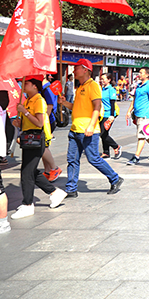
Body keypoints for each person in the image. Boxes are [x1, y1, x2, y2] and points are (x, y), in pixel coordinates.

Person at [58, 59, 123, 197]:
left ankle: (115, 178)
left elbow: (97, 106)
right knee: (72, 160)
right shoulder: (80, 87)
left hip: (88, 130)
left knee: (93, 158)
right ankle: (71, 188)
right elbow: (76, 107)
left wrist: (91, 126)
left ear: (85, 70)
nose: (74, 71)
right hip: (75, 129)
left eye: (76, 68)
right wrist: (64, 103)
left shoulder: (92, 85)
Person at [11, 76, 68, 219]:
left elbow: (39, 123)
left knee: (27, 173)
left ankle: (28, 204)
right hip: (28, 137)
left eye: (27, 83)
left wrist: (24, 111)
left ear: (35, 86)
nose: (23, 85)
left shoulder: (39, 100)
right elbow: (28, 121)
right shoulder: (28, 100)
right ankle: (54, 192)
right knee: (30, 171)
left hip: (36, 138)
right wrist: (19, 123)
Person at [125, 67, 149, 165]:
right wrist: (129, 111)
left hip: (145, 114)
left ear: (147, 75)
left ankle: (136, 157)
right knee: (146, 134)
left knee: (141, 136)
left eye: (141, 73)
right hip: (137, 114)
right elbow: (134, 100)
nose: (139, 75)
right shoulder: (139, 86)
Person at [40, 75, 62, 181]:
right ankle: (47, 171)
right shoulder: (42, 87)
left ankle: (54, 168)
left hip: (47, 121)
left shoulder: (47, 88)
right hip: (44, 121)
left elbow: (50, 106)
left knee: (43, 146)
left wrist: (44, 121)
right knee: (43, 146)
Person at [99, 73, 122, 159]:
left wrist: (112, 115)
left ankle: (116, 146)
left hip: (108, 114)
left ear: (109, 80)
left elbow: (112, 103)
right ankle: (106, 152)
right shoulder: (102, 89)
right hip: (101, 114)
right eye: (101, 79)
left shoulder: (111, 89)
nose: (102, 80)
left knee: (102, 133)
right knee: (104, 134)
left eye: (103, 79)